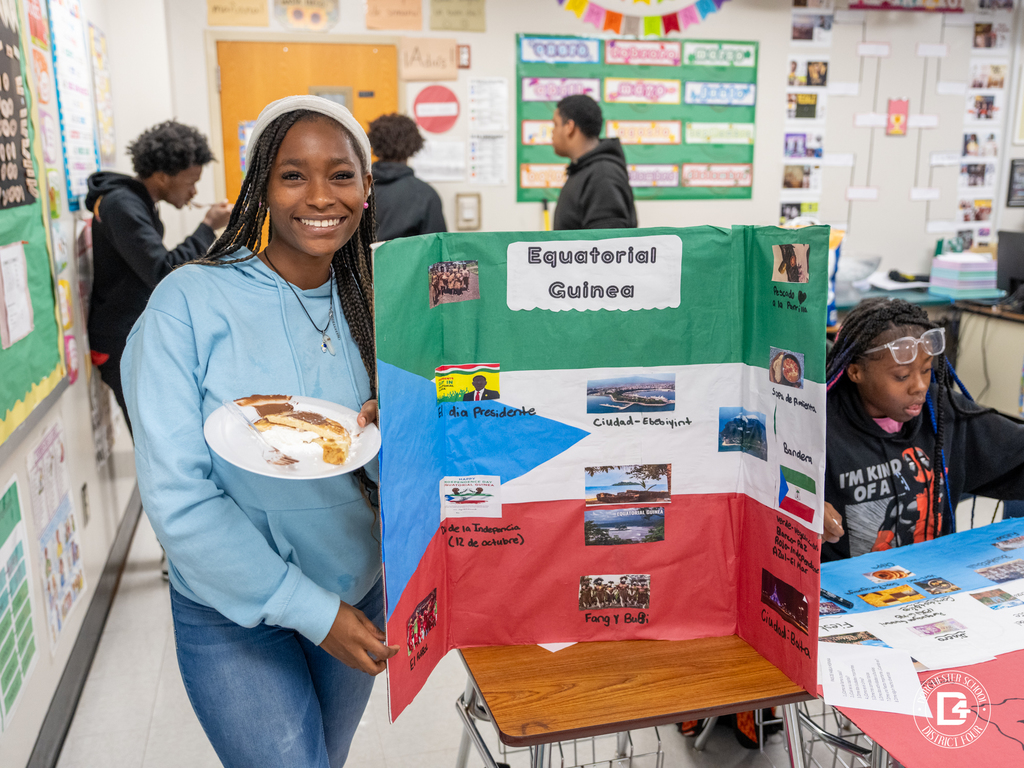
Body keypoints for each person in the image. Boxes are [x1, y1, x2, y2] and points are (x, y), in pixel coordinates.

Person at [121, 96, 398, 768]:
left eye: (341, 174)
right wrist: (311, 611)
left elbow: (428, 470)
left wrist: (408, 427)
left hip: (355, 586)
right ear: (262, 191)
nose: (319, 195)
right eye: (292, 175)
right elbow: (178, 497)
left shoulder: (385, 299)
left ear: (366, 190)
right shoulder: (187, 303)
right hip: (232, 607)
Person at [821, 299, 1024, 560]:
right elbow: (766, 485)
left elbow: (1016, 452)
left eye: (926, 370)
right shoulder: (820, 422)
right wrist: (800, 507)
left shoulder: (942, 409)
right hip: (845, 589)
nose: (919, 386)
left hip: (934, 582)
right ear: (855, 372)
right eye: (901, 376)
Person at [87, 121, 231, 426]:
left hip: (131, 331)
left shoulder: (137, 201)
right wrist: (207, 226)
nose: (194, 190)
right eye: (191, 181)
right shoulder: (121, 204)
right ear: (163, 177)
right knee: (151, 432)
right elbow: (162, 270)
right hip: (119, 339)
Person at [551, 94, 637, 231]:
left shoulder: (603, 175)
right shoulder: (584, 171)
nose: (552, 132)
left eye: (555, 124)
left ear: (569, 127)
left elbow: (607, 247)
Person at [367, 113, 447, 241]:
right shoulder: (426, 195)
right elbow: (437, 250)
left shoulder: (360, 188)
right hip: (408, 261)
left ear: (374, 144)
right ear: (414, 145)